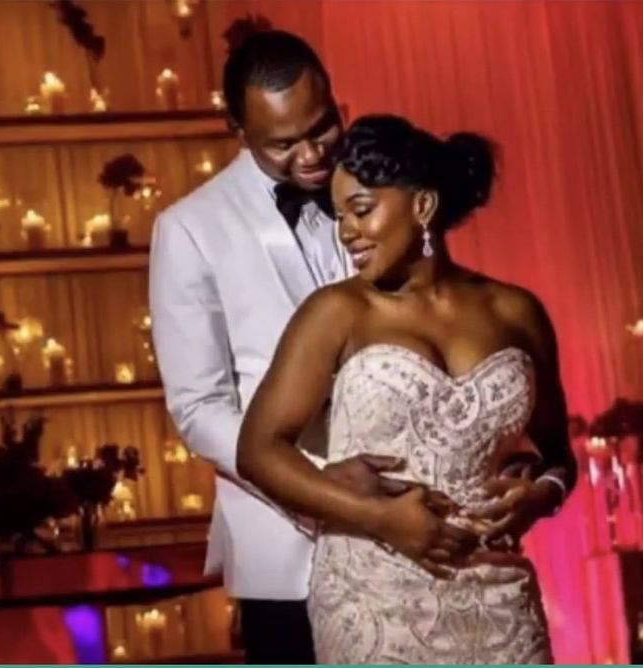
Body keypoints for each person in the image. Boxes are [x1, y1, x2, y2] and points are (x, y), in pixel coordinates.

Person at [149, 31, 477, 664]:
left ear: (336, 104)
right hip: (286, 541)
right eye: (283, 143)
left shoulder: (382, 191)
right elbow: (198, 407)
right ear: (236, 128)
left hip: (413, 515)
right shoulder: (188, 230)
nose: (310, 154)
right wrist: (318, 483)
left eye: (322, 129)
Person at [236, 114, 578, 664]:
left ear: (422, 206)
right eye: (339, 214)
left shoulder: (517, 312)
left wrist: (542, 495)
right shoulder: (336, 312)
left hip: (499, 595)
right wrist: (379, 517)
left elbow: (559, 455)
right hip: (374, 599)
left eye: (362, 209)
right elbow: (257, 449)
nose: (345, 230)